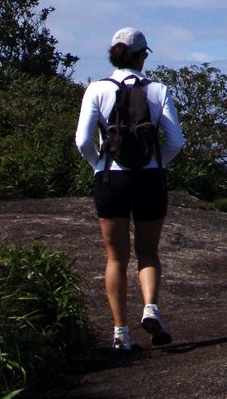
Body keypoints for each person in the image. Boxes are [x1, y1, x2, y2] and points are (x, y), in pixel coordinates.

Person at [75, 28, 185, 351]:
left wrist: (99, 165)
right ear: (140, 56)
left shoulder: (96, 90)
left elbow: (82, 141)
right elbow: (176, 141)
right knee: (148, 252)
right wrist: (157, 162)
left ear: (114, 54)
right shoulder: (158, 91)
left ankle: (120, 332)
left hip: (111, 179)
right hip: (150, 179)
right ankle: (150, 306)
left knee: (115, 258)